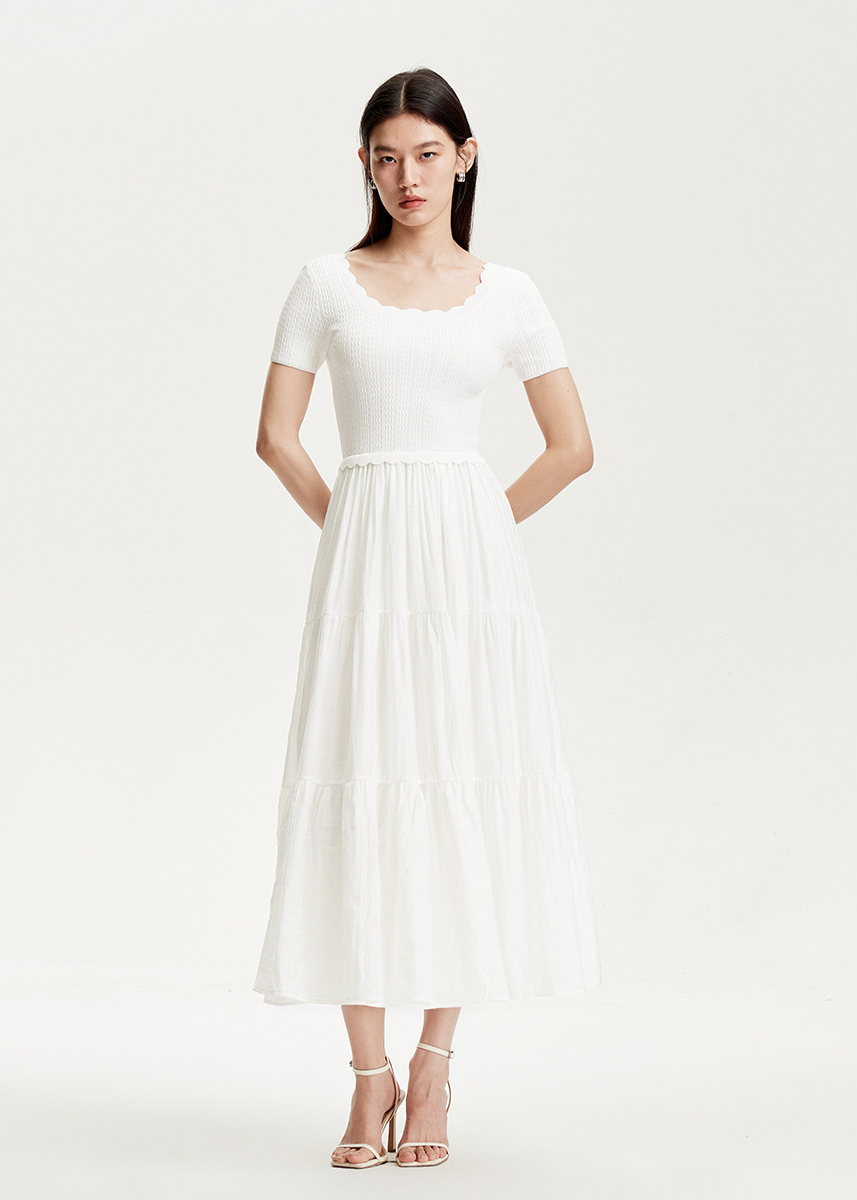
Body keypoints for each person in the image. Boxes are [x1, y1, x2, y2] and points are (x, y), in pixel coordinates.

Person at [252, 66, 602, 1169]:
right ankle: (369, 1077)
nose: (408, 176)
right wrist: (353, 529)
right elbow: (275, 437)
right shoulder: (325, 283)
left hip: (469, 587)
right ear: (365, 166)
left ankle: (436, 1065)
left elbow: (572, 447)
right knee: (359, 788)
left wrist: (475, 530)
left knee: (459, 790)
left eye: (427, 154)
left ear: (466, 157)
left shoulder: (510, 293)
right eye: (387, 157)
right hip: (364, 578)